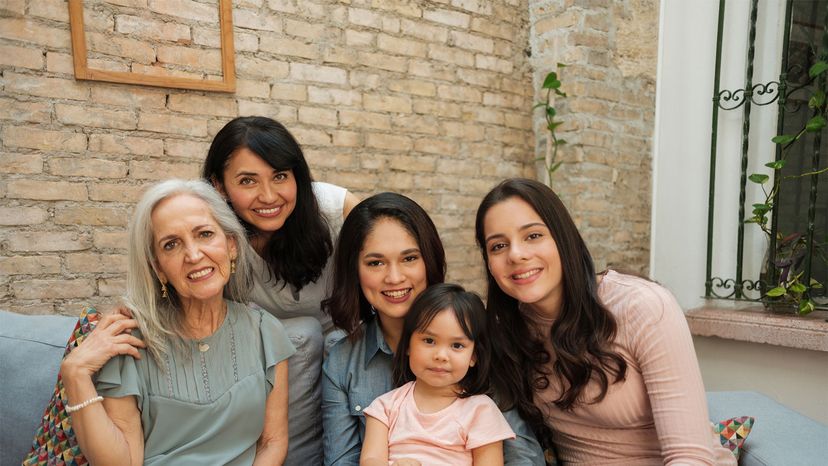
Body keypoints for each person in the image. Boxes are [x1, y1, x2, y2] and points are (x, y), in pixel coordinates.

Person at [475, 178, 736, 465]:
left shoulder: (643, 307)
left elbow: (691, 456)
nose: (516, 254)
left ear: (564, 238)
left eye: (533, 236)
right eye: (498, 246)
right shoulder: (505, 332)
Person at [60, 179, 295, 465]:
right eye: (171, 245)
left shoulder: (265, 332)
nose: (194, 255)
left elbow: (272, 442)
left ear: (231, 245)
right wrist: (75, 373)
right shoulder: (130, 339)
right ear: (158, 268)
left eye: (205, 234)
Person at [321, 192, 545, 466]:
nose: (394, 277)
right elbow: (341, 461)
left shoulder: (475, 334)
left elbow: (523, 458)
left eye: (409, 258)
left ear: (429, 260)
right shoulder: (343, 361)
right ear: (354, 270)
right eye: (375, 263)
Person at [203, 116, 359, 462]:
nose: (268, 196)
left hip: (345, 358)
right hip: (261, 372)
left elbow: (398, 258)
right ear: (218, 186)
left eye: (280, 176)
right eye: (247, 181)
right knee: (299, 335)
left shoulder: (334, 210)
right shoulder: (210, 235)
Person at [361, 283, 516, 466]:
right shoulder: (385, 408)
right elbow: (370, 459)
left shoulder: (480, 411)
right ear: (408, 345)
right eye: (429, 341)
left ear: (473, 356)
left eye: (457, 345)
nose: (441, 356)